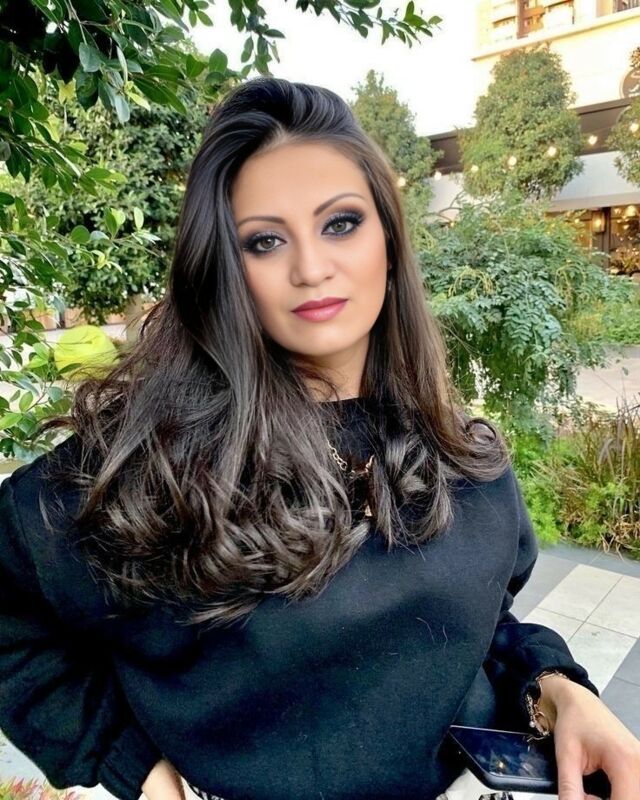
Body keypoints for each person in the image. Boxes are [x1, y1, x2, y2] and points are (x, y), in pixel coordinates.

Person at [0, 76, 638, 800]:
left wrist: (558, 688)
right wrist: (129, 762)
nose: (310, 268)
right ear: (224, 268)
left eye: (340, 223)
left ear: (388, 240)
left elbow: (482, 625)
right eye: (265, 240)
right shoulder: (151, 468)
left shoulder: (464, 456)